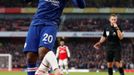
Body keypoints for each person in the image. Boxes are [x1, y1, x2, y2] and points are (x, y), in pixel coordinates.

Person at [23, 0, 85, 75]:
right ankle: (42, 72)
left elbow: (81, 5)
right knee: (30, 57)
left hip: (50, 23)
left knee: (43, 52)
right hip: (35, 23)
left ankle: (56, 69)